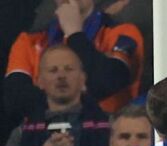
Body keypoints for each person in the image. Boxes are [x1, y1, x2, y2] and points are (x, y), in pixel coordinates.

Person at [4, 0, 144, 117]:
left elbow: (106, 83)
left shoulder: (123, 32)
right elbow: (15, 99)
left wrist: (74, 34)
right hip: (43, 133)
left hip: (109, 132)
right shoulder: (29, 40)